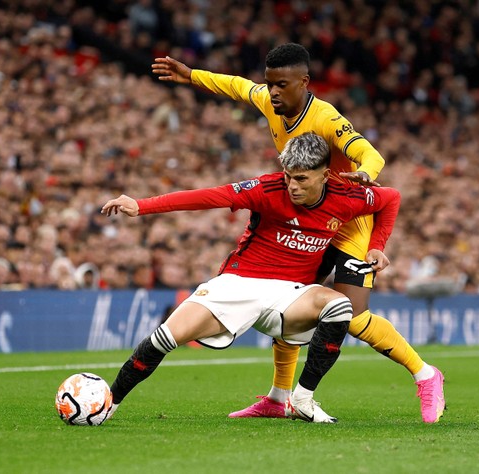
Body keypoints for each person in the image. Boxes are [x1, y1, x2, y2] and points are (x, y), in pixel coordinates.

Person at [152, 43, 446, 422]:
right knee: (286, 301)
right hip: (309, 222)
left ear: (304, 83)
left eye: (282, 85)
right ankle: (278, 398)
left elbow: (371, 154)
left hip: (348, 224)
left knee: (352, 317)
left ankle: (425, 374)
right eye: (270, 83)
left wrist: (366, 176)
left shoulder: (326, 118)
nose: (273, 92)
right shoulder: (269, 101)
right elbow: (237, 86)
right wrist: (190, 76)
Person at [101, 133, 401, 423]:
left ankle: (302, 399)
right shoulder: (267, 189)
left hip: (291, 295)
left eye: (301, 179)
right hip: (239, 283)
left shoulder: (347, 197)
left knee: (340, 307)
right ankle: (107, 404)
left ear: (325, 175)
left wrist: (376, 246)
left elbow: (391, 199)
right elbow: (207, 197)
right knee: (165, 337)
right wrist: (142, 205)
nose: (292, 186)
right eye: (288, 176)